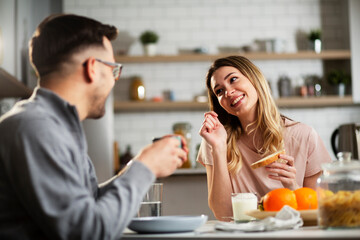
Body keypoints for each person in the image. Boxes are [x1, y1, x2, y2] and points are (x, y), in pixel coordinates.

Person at [0, 14, 188, 239]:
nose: (114, 79)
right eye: (113, 69)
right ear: (92, 68)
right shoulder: (36, 128)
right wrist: (144, 167)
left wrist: (139, 166)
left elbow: (89, 203)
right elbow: (87, 232)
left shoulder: (56, 127)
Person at [197, 56, 331, 220]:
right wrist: (218, 148)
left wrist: (292, 186)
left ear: (254, 79)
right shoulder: (215, 140)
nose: (228, 92)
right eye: (219, 91)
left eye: (233, 79)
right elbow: (223, 214)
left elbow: (320, 211)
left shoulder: (304, 136)